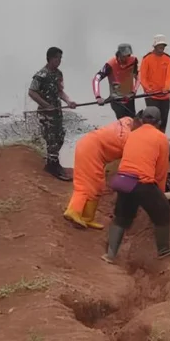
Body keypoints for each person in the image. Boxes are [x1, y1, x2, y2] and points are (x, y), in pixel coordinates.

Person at [104, 106, 170, 263]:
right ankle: (164, 251)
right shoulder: (160, 138)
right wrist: (160, 193)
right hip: (142, 182)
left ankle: (110, 255)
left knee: (122, 218)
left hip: (123, 180)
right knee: (163, 213)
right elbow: (161, 169)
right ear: (159, 122)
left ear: (142, 120)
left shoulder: (133, 135)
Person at [63, 114, 138, 230]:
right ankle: (73, 211)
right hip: (90, 151)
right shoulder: (128, 140)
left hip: (88, 146)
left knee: (97, 185)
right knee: (87, 183)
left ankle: (87, 218)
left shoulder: (127, 121)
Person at [28, 47, 77, 181]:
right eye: (56, 58)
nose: (59, 61)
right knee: (51, 139)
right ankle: (52, 166)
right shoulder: (41, 75)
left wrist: (69, 101)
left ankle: (53, 162)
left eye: (60, 58)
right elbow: (32, 92)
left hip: (57, 111)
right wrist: (46, 105)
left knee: (60, 136)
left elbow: (60, 92)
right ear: (49, 58)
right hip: (46, 114)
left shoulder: (58, 74)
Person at [93, 43, 139, 120]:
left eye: (128, 55)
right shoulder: (110, 65)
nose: (127, 58)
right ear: (119, 54)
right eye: (124, 56)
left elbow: (137, 76)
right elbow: (96, 79)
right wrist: (98, 96)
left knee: (132, 121)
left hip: (129, 97)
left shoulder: (133, 61)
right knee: (122, 122)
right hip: (116, 99)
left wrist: (134, 91)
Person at [138, 35, 170, 132]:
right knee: (152, 121)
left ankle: (162, 139)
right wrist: (147, 89)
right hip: (151, 96)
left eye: (163, 45)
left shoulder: (168, 59)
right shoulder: (146, 59)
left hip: (165, 96)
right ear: (155, 46)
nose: (162, 47)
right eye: (160, 45)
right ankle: (151, 137)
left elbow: (169, 76)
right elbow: (142, 77)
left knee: (163, 120)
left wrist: (166, 88)